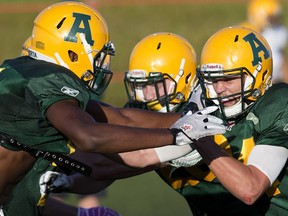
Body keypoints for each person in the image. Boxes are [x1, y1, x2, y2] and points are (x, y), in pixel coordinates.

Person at [0, 2, 226, 216]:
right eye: (98, 56)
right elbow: (88, 137)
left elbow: (120, 117)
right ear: (72, 53)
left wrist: (186, 118)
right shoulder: (49, 81)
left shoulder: (27, 76)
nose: (101, 65)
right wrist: (174, 135)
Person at [51, 27, 288, 215]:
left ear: (184, 79)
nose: (147, 96)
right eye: (140, 87)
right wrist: (57, 170)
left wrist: (197, 138)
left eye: (156, 85)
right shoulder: (180, 111)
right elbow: (111, 165)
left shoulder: (270, 105)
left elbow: (249, 189)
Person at [240, 0, 288, 84]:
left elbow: (281, 58)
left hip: (275, 80)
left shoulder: (276, 31)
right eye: (272, 17)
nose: (275, 20)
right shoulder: (245, 33)